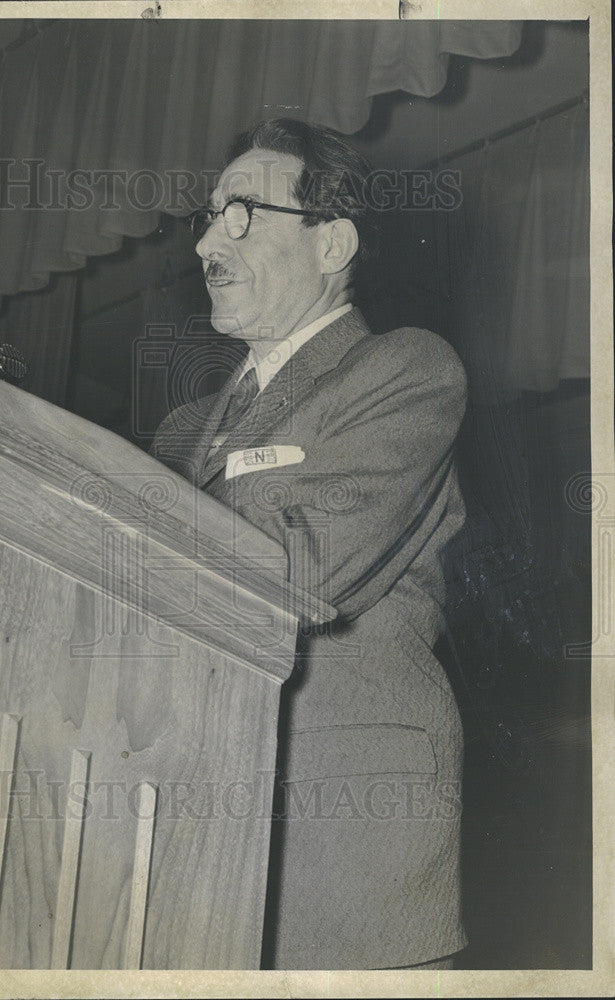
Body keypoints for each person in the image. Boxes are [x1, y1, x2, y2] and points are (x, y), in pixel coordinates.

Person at [150, 118, 468, 970]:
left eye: (243, 213)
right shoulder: (180, 431)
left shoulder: (402, 371)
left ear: (332, 244)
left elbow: (302, 569)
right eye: (209, 216)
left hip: (335, 832)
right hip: (189, 817)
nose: (210, 241)